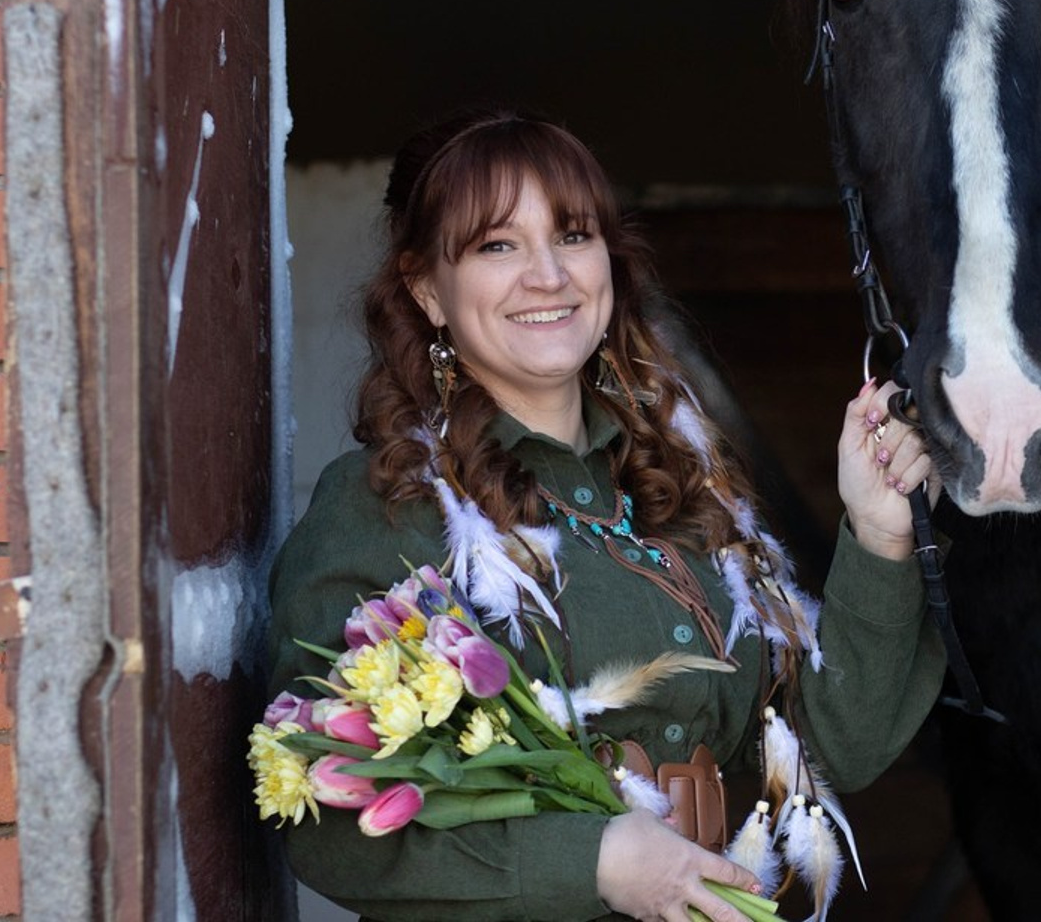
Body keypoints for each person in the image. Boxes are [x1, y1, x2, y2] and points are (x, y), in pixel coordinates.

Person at [266, 109, 945, 922]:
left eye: (574, 235)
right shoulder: (388, 504)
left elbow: (833, 749)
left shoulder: (686, 492)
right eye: (496, 246)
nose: (548, 274)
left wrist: (877, 535)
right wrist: (594, 861)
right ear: (425, 289)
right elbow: (326, 823)